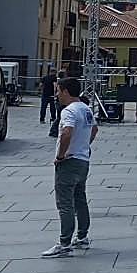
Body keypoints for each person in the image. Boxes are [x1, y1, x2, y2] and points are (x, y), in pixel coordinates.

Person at [42, 77, 97, 257]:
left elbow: (66, 132)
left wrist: (60, 156)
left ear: (65, 91)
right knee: (80, 199)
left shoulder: (69, 111)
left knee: (65, 203)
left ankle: (64, 243)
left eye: (58, 91)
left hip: (69, 162)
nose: (56, 95)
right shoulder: (86, 108)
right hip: (83, 161)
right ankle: (82, 236)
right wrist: (84, 146)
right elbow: (94, 129)